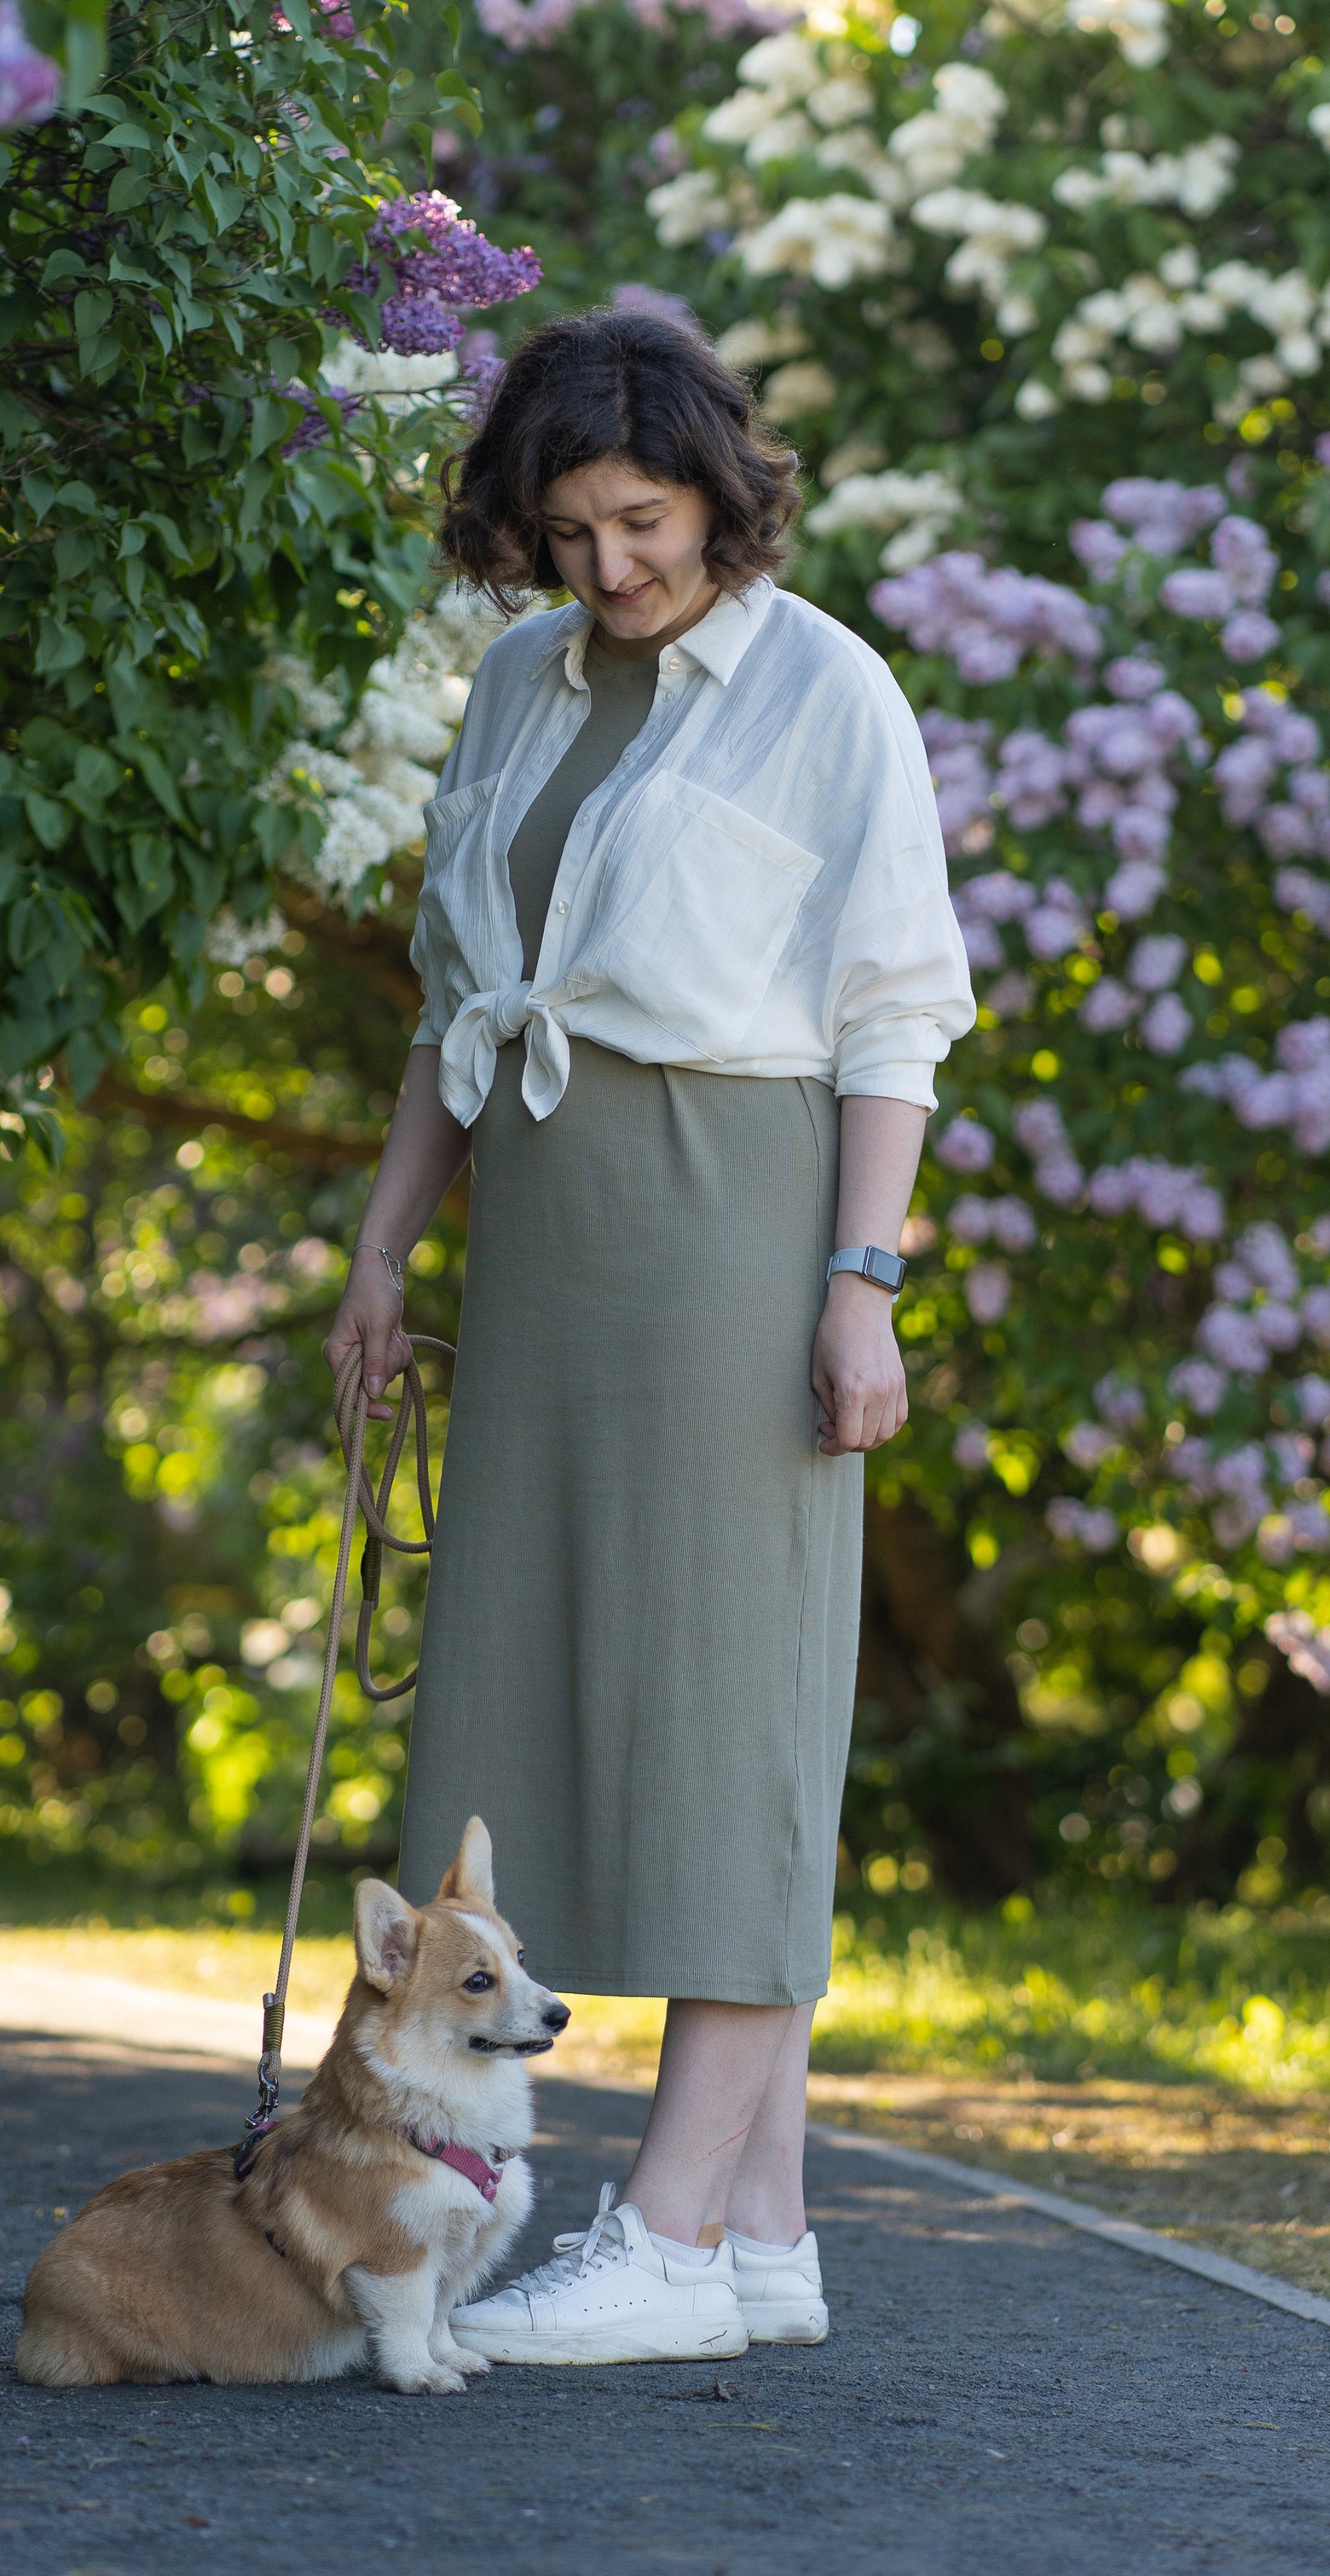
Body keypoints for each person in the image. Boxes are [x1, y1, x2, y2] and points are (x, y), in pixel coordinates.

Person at [323, 308, 974, 2365]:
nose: (608, 565)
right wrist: (382, 1251)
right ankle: (762, 2235)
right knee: (530, 1704)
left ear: (716, 491)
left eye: (642, 520)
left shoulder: (822, 685)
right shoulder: (519, 681)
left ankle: (670, 2240)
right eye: (567, 529)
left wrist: (857, 1282)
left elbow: (893, 1010)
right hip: (543, 1241)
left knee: (727, 1725)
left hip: (728, 1225)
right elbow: (453, 1004)